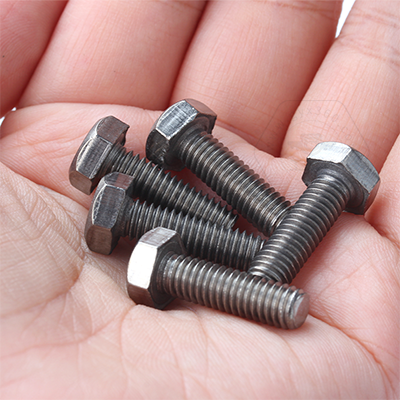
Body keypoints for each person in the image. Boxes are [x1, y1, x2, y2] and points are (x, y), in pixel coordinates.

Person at [0, 1, 398, 398]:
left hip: (243, 249)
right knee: (248, 234)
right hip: (225, 254)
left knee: (265, 230)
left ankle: (266, 247)